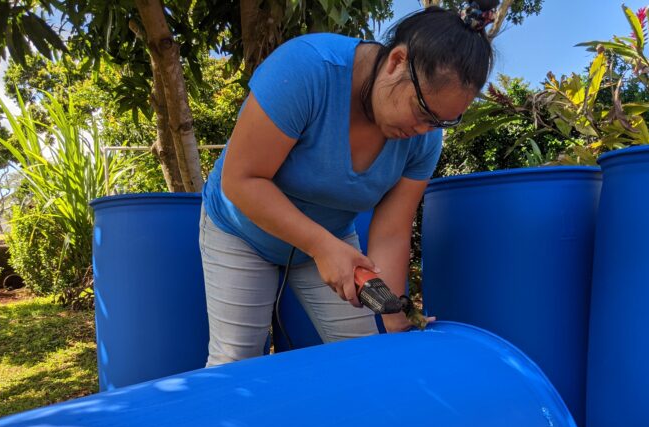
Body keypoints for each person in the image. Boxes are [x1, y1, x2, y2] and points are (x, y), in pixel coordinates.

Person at [200, 1, 499, 366]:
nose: (423, 131)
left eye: (441, 122)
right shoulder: (306, 70)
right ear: (396, 62)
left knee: (366, 355)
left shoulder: (424, 137)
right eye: (422, 112)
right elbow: (241, 179)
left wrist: (394, 313)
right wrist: (320, 246)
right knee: (235, 362)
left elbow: (391, 230)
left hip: (332, 239)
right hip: (241, 231)